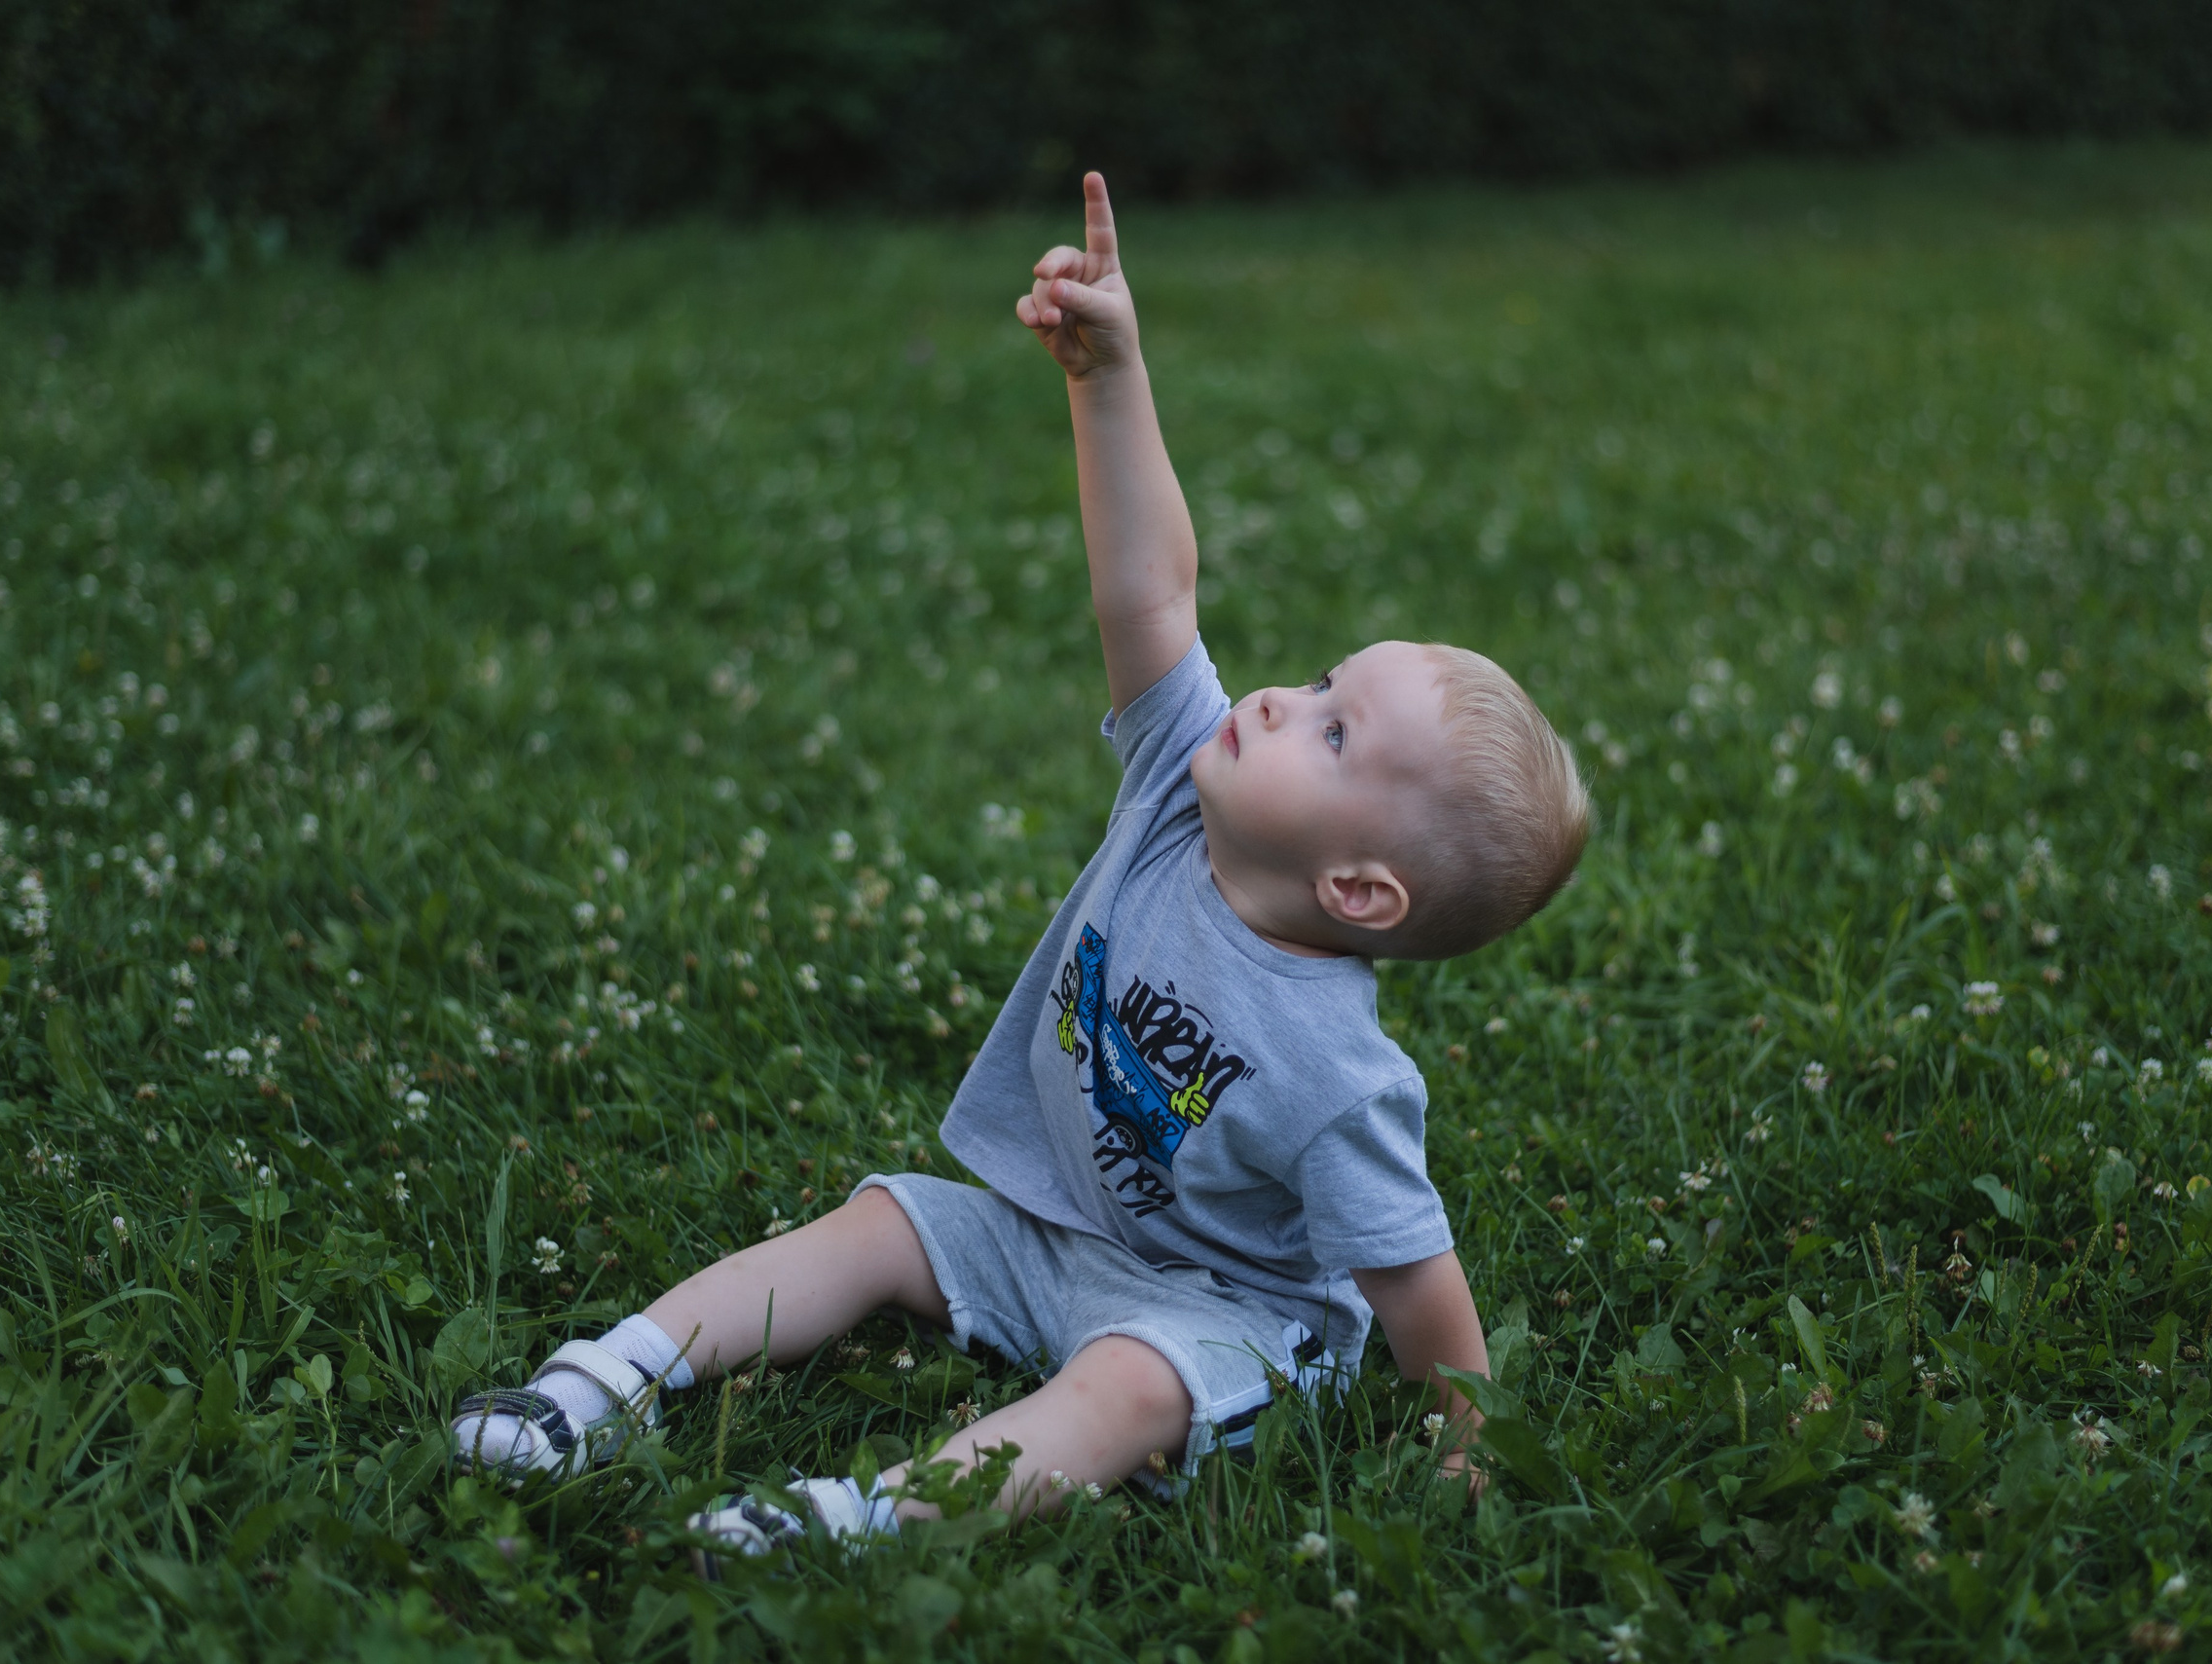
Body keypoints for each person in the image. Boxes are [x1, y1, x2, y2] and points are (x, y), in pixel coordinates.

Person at [449, 172, 1590, 1557]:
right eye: (1318, 678)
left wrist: (1472, 1446)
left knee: (1121, 1390)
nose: (1284, 697)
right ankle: (598, 1380)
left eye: (1335, 730)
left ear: (1359, 892)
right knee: (875, 1224)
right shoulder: (1185, 779)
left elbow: (1420, 1288)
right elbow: (1149, 585)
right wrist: (1110, 375)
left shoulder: (1343, 1081)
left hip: (1210, 1309)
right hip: (1049, 1223)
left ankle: (862, 1522)